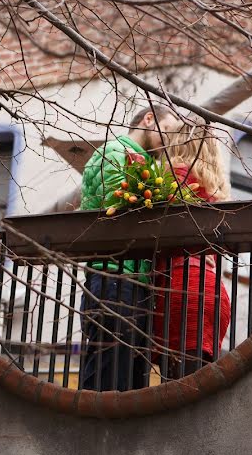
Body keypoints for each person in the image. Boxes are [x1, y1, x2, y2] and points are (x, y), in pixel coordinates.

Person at [77, 107, 180, 391]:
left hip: (134, 281)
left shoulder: (147, 164)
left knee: (130, 380)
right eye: (168, 132)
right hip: (113, 276)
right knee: (107, 374)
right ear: (149, 119)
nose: (169, 142)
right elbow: (117, 206)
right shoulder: (114, 152)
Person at [153, 114, 232, 380]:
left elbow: (166, 225)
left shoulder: (177, 172)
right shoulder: (214, 187)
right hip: (211, 291)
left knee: (177, 393)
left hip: (183, 288)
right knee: (197, 393)